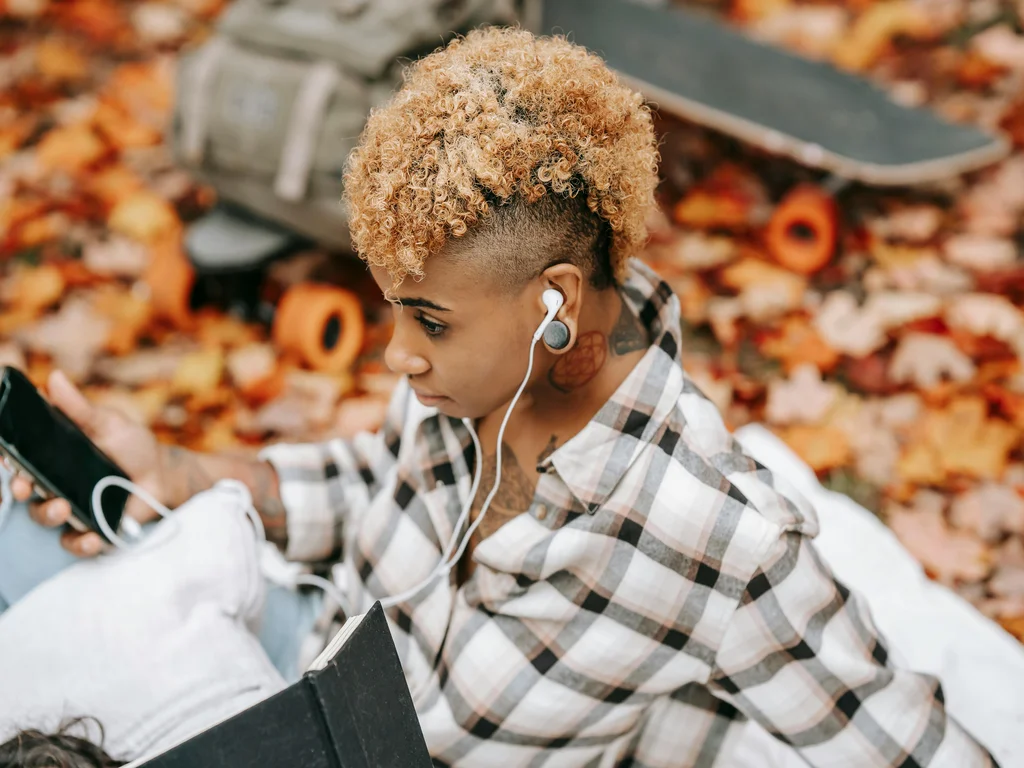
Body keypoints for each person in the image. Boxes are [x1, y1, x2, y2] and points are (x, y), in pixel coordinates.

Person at [6, 26, 999, 767]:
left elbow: (914, 747)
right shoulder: (473, 377)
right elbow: (365, 487)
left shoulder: (711, 540)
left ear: (554, 303)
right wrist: (182, 474)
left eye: (427, 321)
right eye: (392, 310)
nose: (396, 356)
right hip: (287, 671)